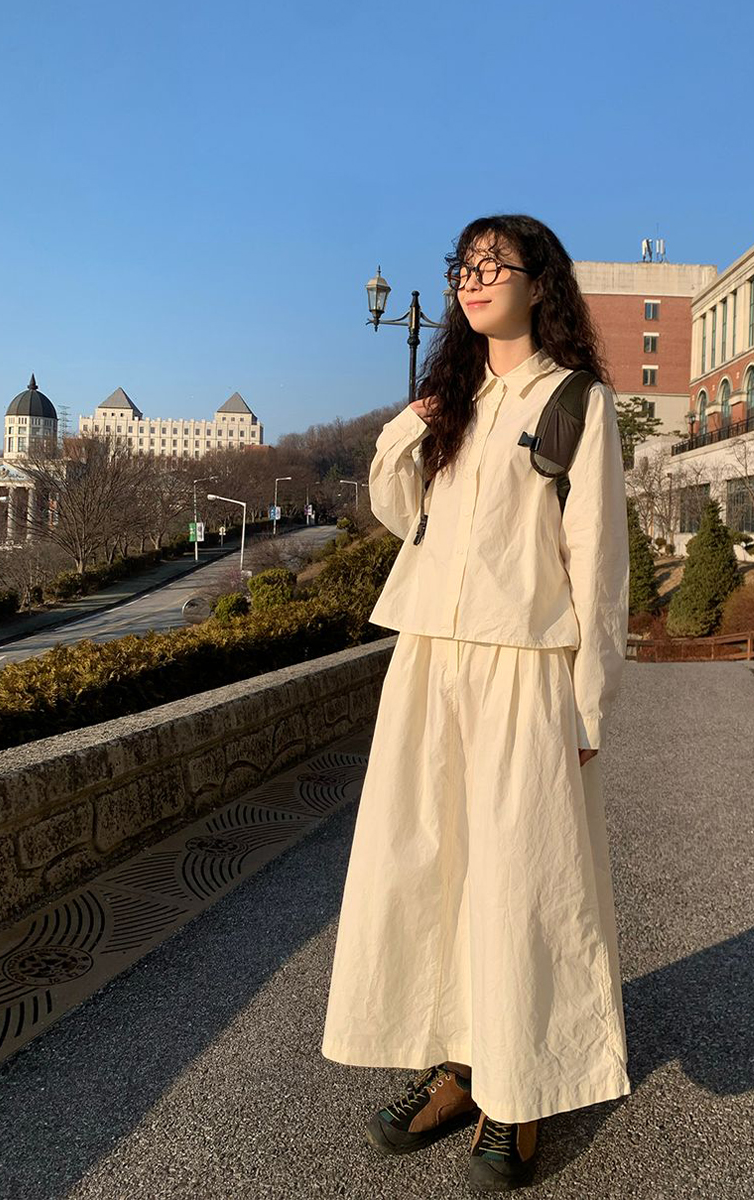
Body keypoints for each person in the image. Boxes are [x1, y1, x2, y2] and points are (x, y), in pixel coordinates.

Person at [321, 213, 630, 1192]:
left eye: (498, 264)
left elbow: (599, 565)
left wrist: (587, 705)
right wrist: (407, 427)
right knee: (431, 870)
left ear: (541, 284)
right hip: (429, 665)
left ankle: (520, 1086)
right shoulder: (451, 405)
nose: (475, 277)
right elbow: (404, 518)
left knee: (520, 879)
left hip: (521, 669)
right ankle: (458, 1062)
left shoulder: (575, 401)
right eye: (465, 265)